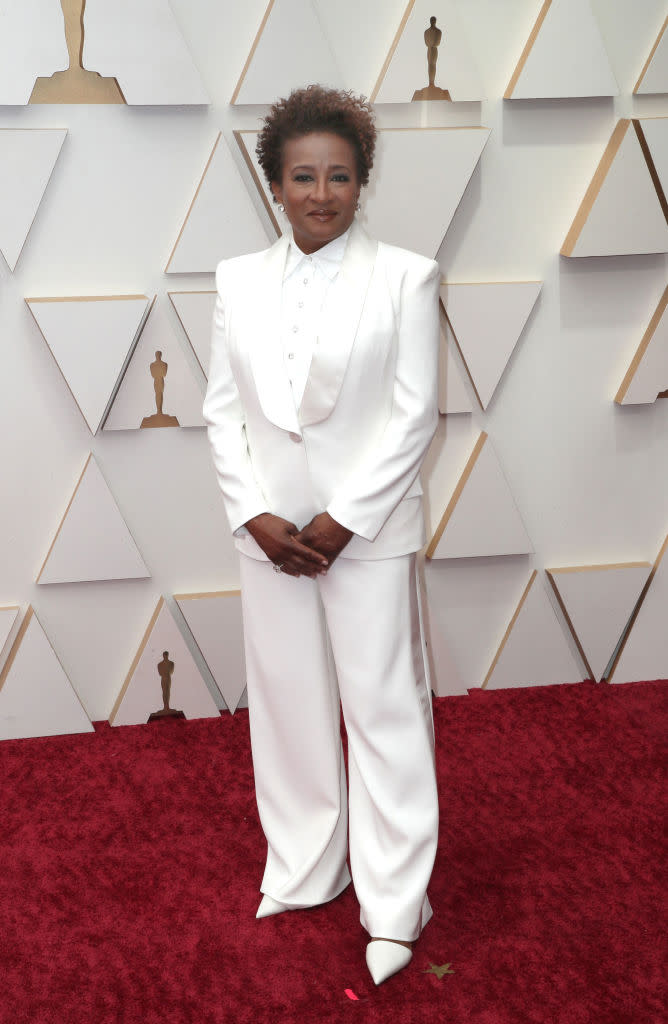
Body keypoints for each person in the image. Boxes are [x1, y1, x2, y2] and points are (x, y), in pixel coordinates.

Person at [203, 85, 440, 986]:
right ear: (275, 183)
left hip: (364, 534)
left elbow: (413, 417)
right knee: (290, 704)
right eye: (303, 175)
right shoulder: (233, 280)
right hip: (267, 535)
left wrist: (342, 523)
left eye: (339, 175)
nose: (321, 192)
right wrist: (254, 516)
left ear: (362, 181)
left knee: (383, 709)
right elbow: (221, 415)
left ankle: (396, 900)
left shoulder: (407, 277)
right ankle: (305, 868)